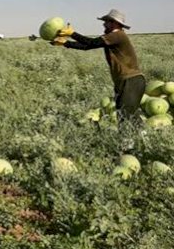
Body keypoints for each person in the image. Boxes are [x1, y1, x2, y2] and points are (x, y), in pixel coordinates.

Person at [52, 9, 146, 148]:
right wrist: (65, 43)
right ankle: (145, 141)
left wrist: (72, 33)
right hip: (127, 81)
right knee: (131, 113)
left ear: (114, 23)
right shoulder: (111, 36)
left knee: (124, 115)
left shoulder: (118, 35)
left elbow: (90, 42)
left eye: (106, 22)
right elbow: (86, 47)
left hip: (131, 80)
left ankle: (127, 147)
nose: (104, 25)